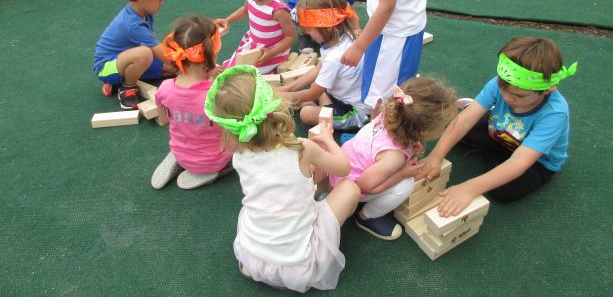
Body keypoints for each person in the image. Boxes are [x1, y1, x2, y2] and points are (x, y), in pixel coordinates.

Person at [204, 65, 360, 293]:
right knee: (350, 189)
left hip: (253, 255)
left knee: (257, 205)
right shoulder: (302, 149)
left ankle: (259, 269)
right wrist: (328, 139)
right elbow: (344, 168)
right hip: (300, 265)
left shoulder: (239, 155)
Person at [419, 37, 577, 217]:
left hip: (537, 161)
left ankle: (492, 155)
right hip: (500, 133)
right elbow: (464, 120)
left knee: (504, 192)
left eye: (520, 96)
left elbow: (520, 161)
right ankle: (494, 155)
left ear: (548, 90)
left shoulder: (555, 113)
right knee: (453, 121)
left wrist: (469, 188)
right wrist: (436, 155)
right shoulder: (502, 82)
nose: (508, 97)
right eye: (503, 89)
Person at [326, 77, 457, 240]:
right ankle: (367, 217)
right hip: (350, 185)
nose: (443, 128)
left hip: (340, 166)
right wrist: (402, 174)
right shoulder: (394, 157)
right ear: (423, 131)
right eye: (441, 126)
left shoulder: (391, 114)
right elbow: (365, 186)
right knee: (406, 185)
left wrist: (413, 143)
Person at [150, 16, 233, 190]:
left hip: (181, 152)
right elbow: (233, 130)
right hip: (214, 161)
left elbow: (164, 120)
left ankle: (182, 159)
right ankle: (217, 171)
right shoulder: (217, 93)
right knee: (248, 140)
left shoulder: (164, 88)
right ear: (211, 55)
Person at [279, 0, 370, 130]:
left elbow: (313, 92)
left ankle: (323, 108)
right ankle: (323, 106)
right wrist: (286, 89)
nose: (308, 33)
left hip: (352, 111)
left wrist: (280, 97)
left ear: (326, 27)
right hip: (339, 94)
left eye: (309, 29)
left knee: (306, 113)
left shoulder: (335, 56)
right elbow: (319, 68)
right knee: (310, 89)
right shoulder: (342, 35)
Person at [93, 0, 175, 110]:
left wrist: (179, 67)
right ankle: (127, 87)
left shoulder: (144, 12)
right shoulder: (133, 24)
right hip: (106, 66)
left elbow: (155, 46)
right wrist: (192, 65)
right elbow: (158, 52)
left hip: (127, 58)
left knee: (171, 70)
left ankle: (119, 80)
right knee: (146, 54)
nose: (162, 3)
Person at [214, 0, 296, 74]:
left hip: (269, 52)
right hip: (253, 44)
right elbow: (245, 10)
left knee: (242, 76)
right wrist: (227, 20)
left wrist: (271, 53)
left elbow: (291, 36)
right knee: (233, 70)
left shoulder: (278, 10)